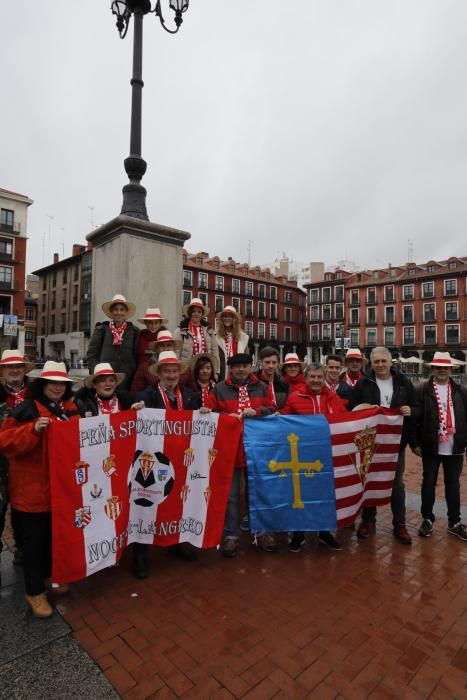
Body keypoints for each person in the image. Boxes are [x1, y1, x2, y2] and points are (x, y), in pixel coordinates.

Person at [0, 362, 78, 618]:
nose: (57, 387)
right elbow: (6, 443)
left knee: (52, 537)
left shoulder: (70, 408)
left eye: (61, 384)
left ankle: (49, 575)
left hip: (58, 489)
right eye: (52, 383)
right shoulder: (26, 410)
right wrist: (32, 430)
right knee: (33, 544)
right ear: (42, 385)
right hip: (31, 490)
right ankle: (34, 592)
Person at [134, 351, 200, 577]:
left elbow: (199, 423)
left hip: (182, 458)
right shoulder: (147, 395)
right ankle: (140, 554)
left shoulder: (191, 396)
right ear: (159, 374)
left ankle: (175, 543)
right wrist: (137, 411)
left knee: (178, 500)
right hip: (155, 459)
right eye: (167, 371)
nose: (171, 375)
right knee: (147, 503)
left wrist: (205, 414)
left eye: (175, 371)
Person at [206, 353, 276, 558]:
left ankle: (263, 532)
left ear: (250, 367)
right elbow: (209, 414)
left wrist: (258, 410)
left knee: (258, 492)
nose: (241, 370)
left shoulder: (261, 387)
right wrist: (225, 417)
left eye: (244, 366)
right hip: (230, 449)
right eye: (236, 367)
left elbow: (272, 408)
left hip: (257, 449)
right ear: (230, 369)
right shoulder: (219, 389)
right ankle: (231, 535)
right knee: (231, 496)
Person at [348, 346, 419, 544]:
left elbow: (417, 407)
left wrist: (410, 410)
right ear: (371, 363)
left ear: (390, 362)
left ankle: (400, 524)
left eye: (383, 361)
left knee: (397, 484)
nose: (380, 365)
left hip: (396, 442)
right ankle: (368, 520)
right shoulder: (363, 383)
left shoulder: (403, 382)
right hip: (370, 442)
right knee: (369, 480)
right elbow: (351, 410)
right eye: (376, 361)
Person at [282, 362, 347, 552]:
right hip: (302, 455)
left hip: (326, 455)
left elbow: (344, 422)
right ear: (306, 378)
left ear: (324, 378)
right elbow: (283, 421)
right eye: (313, 377)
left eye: (320, 377)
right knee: (300, 495)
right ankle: (299, 533)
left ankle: (324, 532)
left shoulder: (334, 398)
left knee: (326, 496)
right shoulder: (295, 398)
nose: (317, 380)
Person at [412, 352, 467, 540]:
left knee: (453, 485)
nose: (442, 370)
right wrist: (415, 444)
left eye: (445, 367)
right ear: (432, 369)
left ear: (451, 370)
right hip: (430, 447)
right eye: (438, 367)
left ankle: (454, 522)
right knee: (428, 484)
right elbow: (414, 420)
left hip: (455, 447)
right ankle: (427, 519)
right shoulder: (421, 390)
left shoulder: (461, 391)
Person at [0, 350, 33, 580]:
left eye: (18, 367)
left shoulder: (34, 394)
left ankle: (22, 549)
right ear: (2, 372)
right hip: (0, 462)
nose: (14, 371)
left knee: (23, 510)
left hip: (27, 462)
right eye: (9, 368)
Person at [87, 293, 139, 389]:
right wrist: (98, 373)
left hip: (127, 381)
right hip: (105, 381)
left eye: (122, 309)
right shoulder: (101, 330)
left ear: (126, 312)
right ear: (111, 312)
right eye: (116, 309)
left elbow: (137, 356)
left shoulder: (134, 331)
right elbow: (92, 355)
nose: (119, 313)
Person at [173, 298, 220, 378]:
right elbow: (176, 353)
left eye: (199, 312)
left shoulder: (209, 331)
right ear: (189, 313)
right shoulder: (180, 331)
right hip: (187, 372)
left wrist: (216, 372)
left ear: (202, 314)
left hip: (206, 372)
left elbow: (215, 352)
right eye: (194, 311)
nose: (196, 314)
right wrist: (177, 372)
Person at [215, 306, 249, 380]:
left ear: (234, 319)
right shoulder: (215, 336)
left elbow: (246, 357)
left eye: (230, 316)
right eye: (225, 316)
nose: (227, 319)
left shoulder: (243, 337)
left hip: (238, 371)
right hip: (222, 372)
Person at [255, 346, 289, 411]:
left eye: (274, 362)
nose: (271, 366)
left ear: (278, 364)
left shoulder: (284, 384)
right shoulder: (252, 382)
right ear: (260, 362)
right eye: (267, 362)